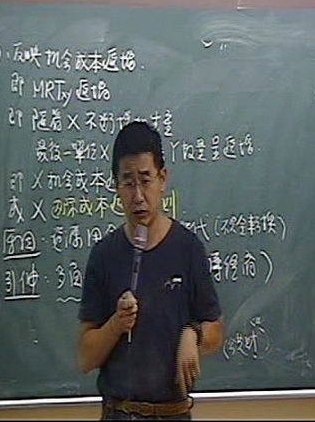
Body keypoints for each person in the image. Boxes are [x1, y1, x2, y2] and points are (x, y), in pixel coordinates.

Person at [78, 121, 223, 420]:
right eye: (128, 183)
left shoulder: (187, 248)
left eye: (145, 180)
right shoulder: (104, 255)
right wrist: (116, 324)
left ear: (162, 179)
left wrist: (192, 333)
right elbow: (86, 357)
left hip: (172, 413)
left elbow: (215, 331)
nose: (138, 196)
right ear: (116, 186)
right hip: (119, 412)